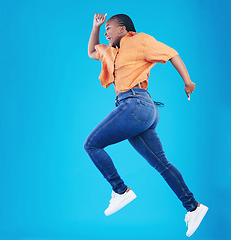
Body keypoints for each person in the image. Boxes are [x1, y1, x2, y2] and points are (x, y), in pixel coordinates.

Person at [83, 13, 208, 237]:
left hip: (135, 104)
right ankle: (194, 207)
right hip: (141, 111)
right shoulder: (111, 52)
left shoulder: (139, 40)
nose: (106, 32)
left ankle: (120, 191)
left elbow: (171, 54)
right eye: (104, 30)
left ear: (123, 29)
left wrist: (187, 82)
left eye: (109, 27)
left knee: (92, 144)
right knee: (162, 165)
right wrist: (95, 27)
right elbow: (92, 51)